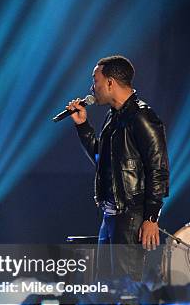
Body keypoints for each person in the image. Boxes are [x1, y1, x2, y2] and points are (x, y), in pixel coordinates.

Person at [67, 55, 169, 282]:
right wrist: (83, 126)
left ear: (110, 82)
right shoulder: (113, 117)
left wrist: (151, 217)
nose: (92, 88)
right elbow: (101, 158)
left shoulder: (142, 117)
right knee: (108, 287)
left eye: (95, 80)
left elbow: (158, 168)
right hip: (111, 214)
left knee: (126, 287)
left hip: (130, 215)